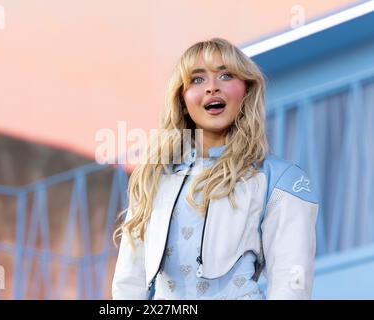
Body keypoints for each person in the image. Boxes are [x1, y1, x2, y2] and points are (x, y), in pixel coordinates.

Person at [112, 38, 319, 300]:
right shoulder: (154, 177)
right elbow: (129, 282)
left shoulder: (280, 180)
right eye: (197, 79)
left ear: (245, 89)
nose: (212, 88)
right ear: (182, 98)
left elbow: (292, 283)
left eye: (225, 75)